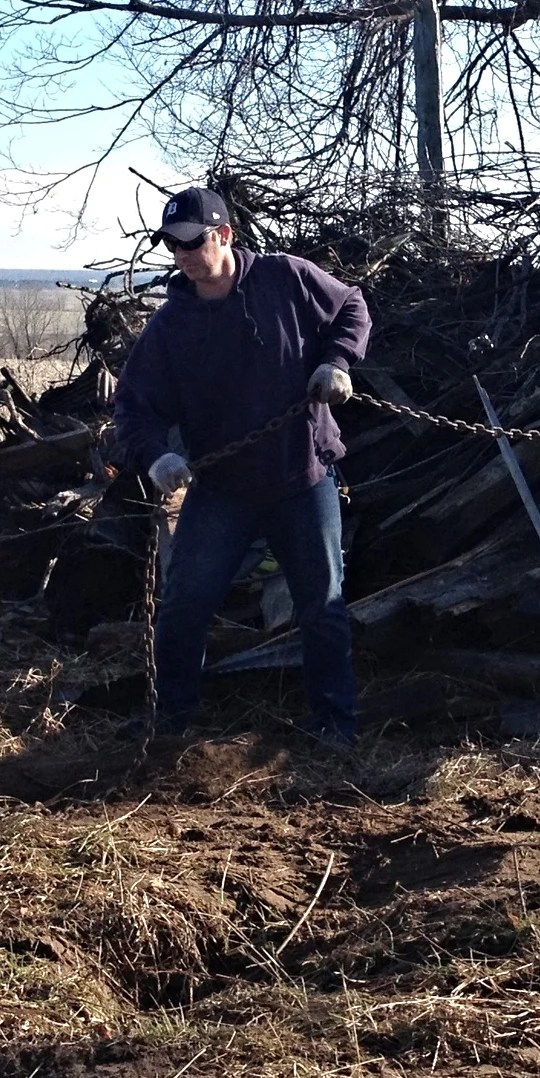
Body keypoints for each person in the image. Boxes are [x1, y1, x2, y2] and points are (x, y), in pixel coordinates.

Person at [111, 187, 370, 746]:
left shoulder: (286, 279)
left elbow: (352, 306)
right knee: (184, 603)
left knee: (322, 605)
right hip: (222, 490)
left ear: (224, 234)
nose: (180, 255)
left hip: (304, 474)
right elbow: (133, 408)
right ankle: (171, 721)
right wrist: (158, 457)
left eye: (191, 242)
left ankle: (334, 726)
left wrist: (335, 362)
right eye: (170, 245)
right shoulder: (171, 326)